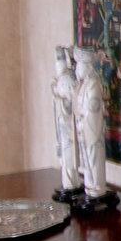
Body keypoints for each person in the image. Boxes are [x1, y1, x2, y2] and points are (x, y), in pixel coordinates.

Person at [73, 47, 108, 200]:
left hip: (91, 127)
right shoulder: (84, 85)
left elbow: (93, 108)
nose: (77, 70)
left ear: (88, 67)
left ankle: (97, 186)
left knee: (94, 156)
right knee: (87, 158)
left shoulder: (94, 84)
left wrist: (83, 115)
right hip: (83, 126)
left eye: (79, 66)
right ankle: (90, 185)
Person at [51, 46, 79, 196]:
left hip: (68, 124)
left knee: (69, 155)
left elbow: (70, 104)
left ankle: (72, 181)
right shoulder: (59, 80)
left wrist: (59, 99)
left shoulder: (67, 79)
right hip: (62, 124)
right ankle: (68, 181)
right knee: (64, 154)